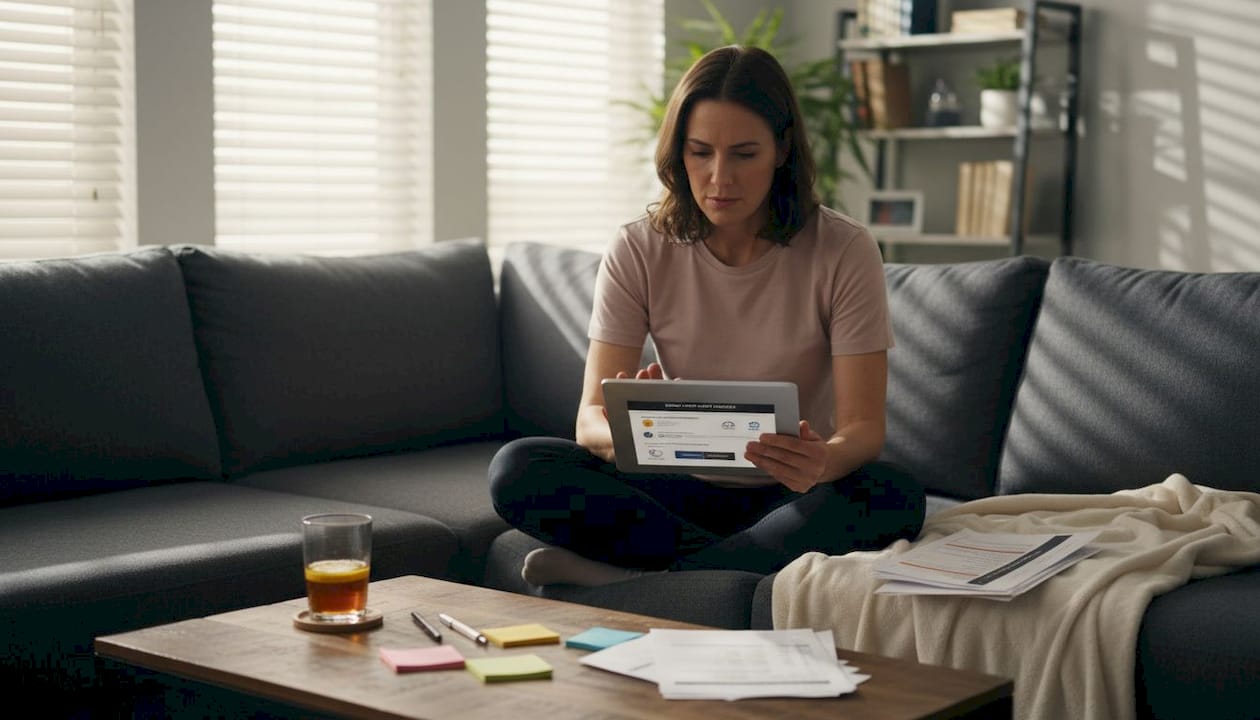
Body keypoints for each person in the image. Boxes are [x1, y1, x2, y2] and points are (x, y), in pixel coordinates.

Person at [489, 45, 925, 588]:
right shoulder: (637, 248)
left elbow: (863, 430)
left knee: (892, 492)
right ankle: (730, 567)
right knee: (519, 468)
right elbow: (589, 420)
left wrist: (823, 461)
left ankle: (641, 576)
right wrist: (626, 432)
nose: (720, 178)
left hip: (791, 494)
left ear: (782, 149)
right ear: (678, 154)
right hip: (675, 487)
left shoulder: (844, 248)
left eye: (744, 154)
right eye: (700, 153)